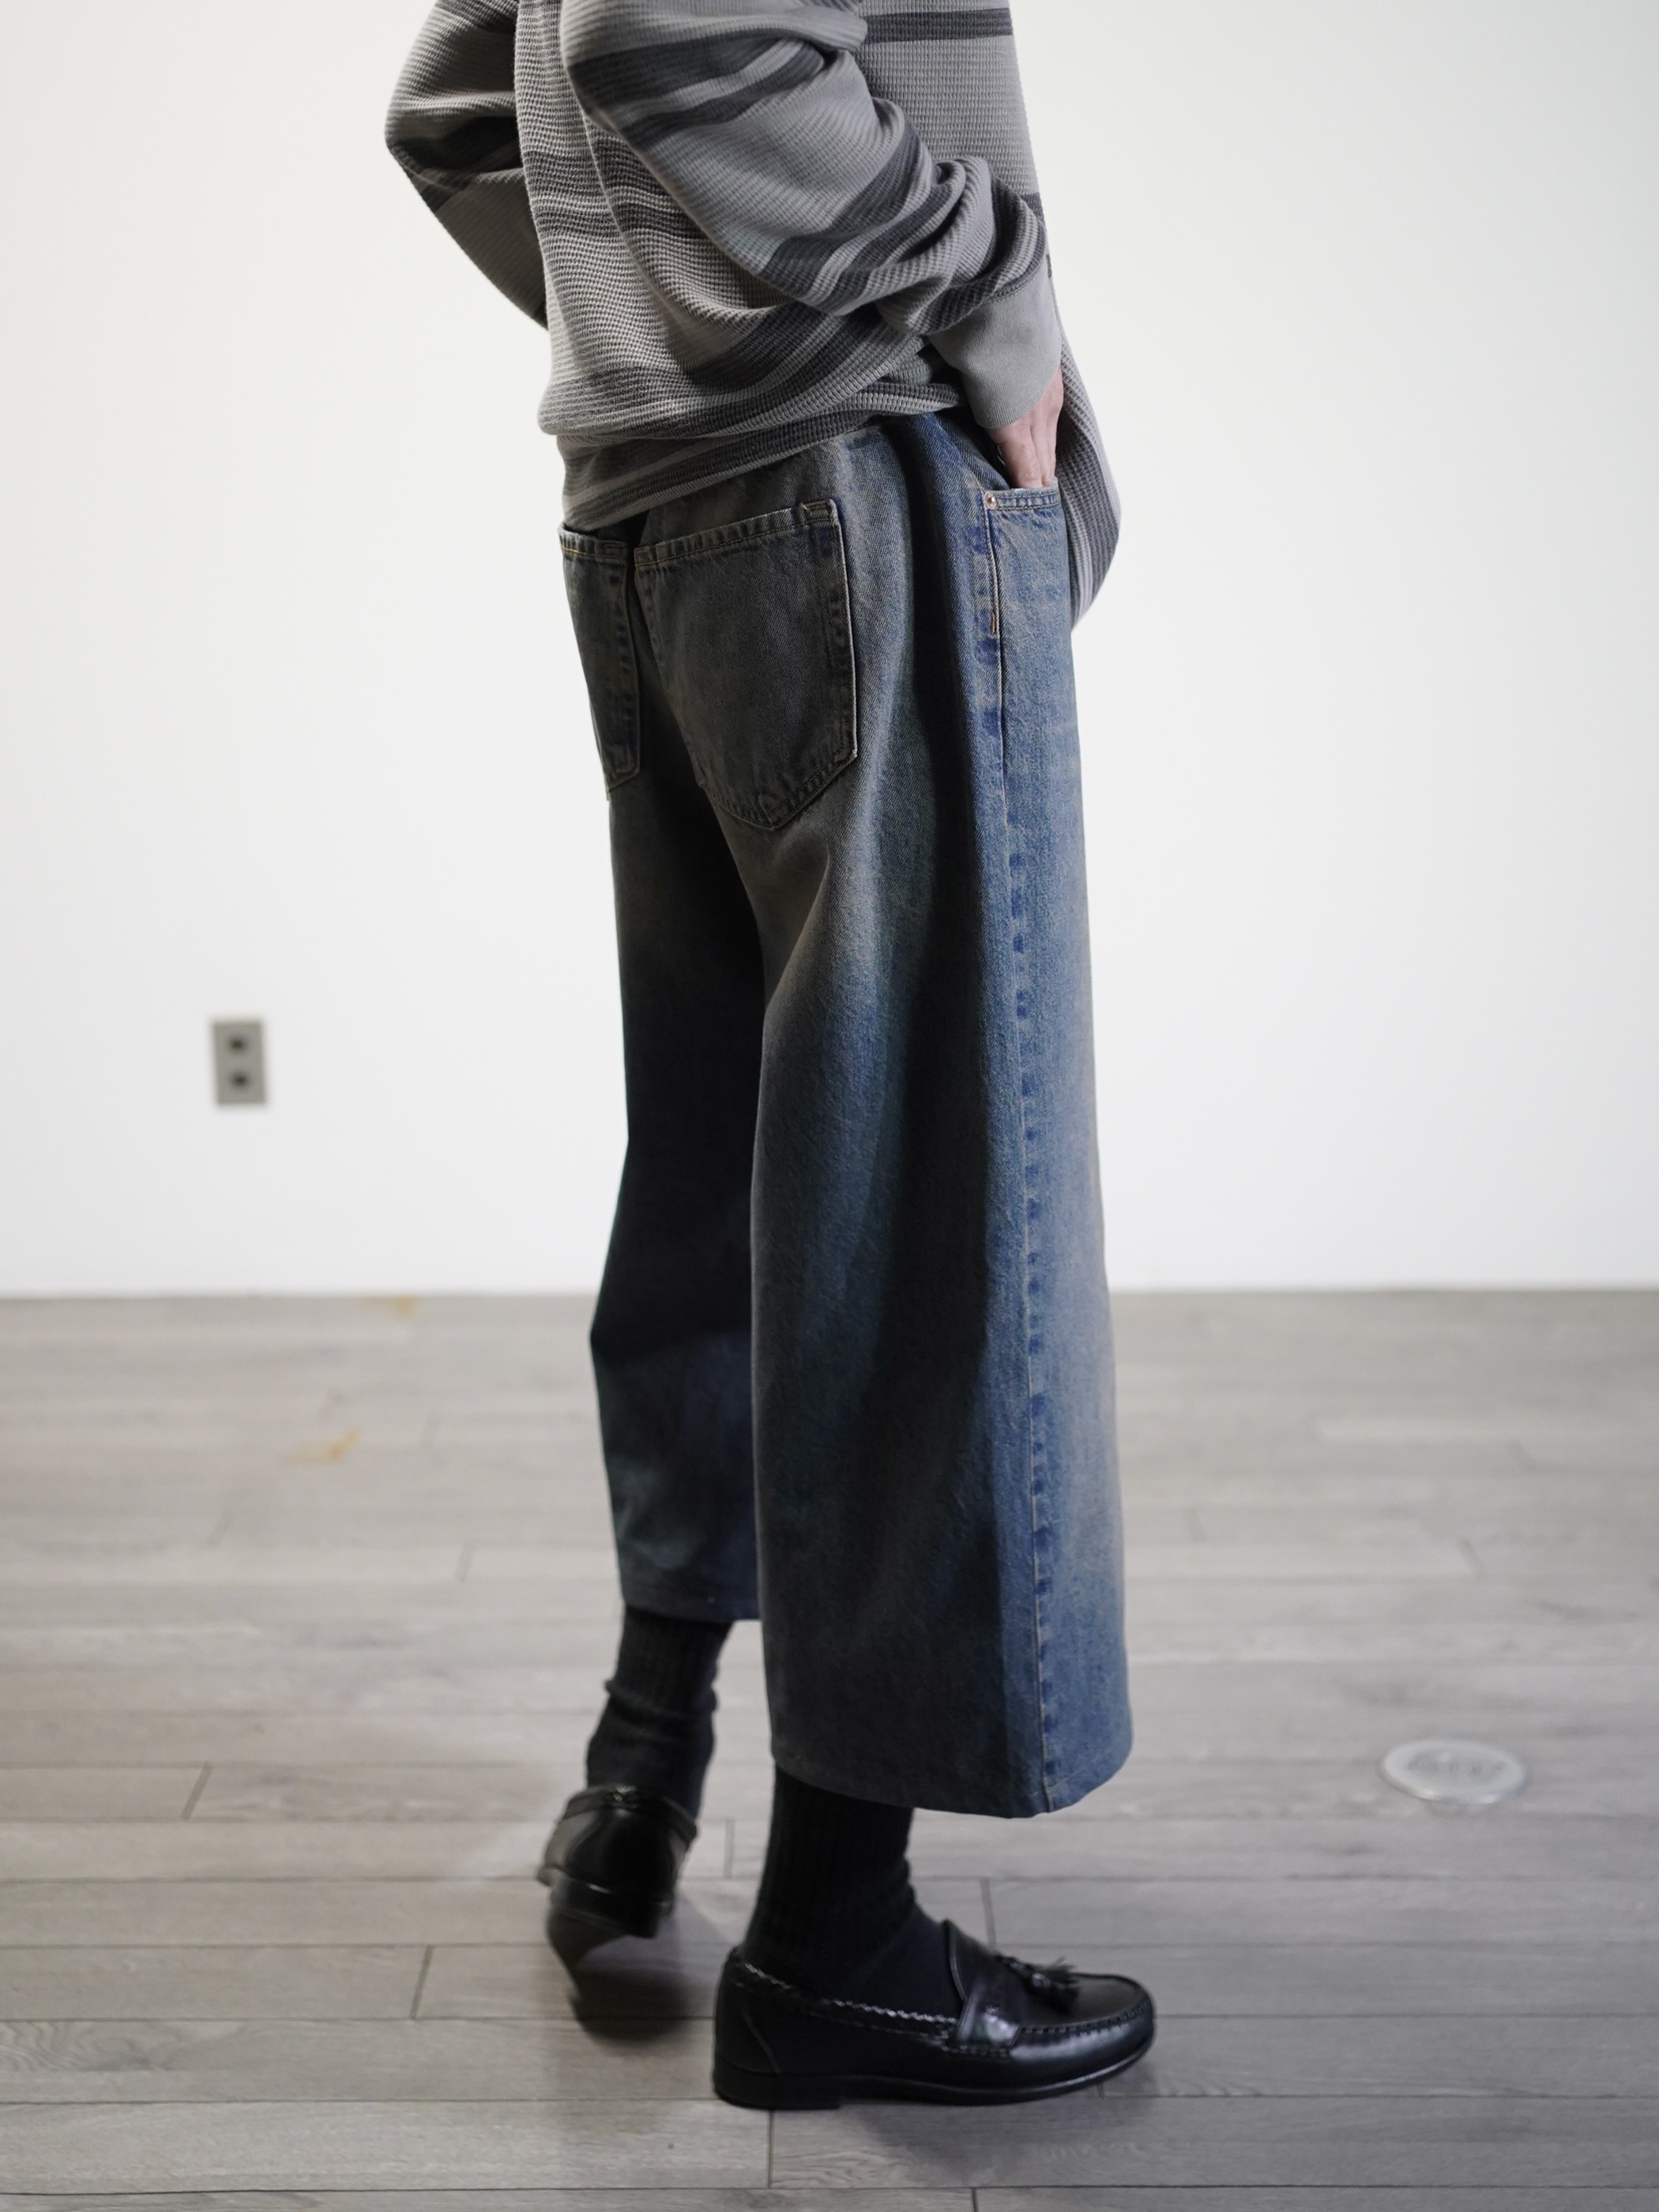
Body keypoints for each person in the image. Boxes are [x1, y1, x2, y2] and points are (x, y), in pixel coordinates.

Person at [387, 0, 1153, 2109]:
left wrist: (662, 327)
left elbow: (457, 96)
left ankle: (641, 1768)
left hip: (659, 517)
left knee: (733, 1170)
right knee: (910, 1214)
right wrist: (992, 296)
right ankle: (834, 1940)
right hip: (851, 478)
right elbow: (668, 29)